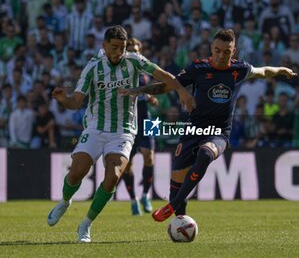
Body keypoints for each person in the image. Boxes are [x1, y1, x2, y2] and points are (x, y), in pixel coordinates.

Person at [120, 29, 296, 222]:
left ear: (234, 51)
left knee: (205, 154)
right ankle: (180, 218)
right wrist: (136, 90)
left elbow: (262, 72)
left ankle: (172, 205)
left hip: (219, 132)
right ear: (212, 48)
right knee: (176, 184)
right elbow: (166, 86)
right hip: (192, 130)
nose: (221, 56)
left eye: (226, 52)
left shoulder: (240, 69)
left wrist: (280, 70)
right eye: (217, 50)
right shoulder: (198, 68)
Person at [46, 25, 195, 243]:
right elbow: (76, 101)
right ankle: (65, 201)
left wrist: (181, 90)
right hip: (95, 127)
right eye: (114, 47)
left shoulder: (134, 60)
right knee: (78, 171)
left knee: (113, 177)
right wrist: (64, 100)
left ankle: (85, 225)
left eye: (122, 47)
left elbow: (164, 75)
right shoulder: (92, 68)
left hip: (123, 130)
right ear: (104, 46)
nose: (119, 52)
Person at [121, 37, 158, 215]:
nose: (134, 52)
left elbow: (149, 92)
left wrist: (151, 98)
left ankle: (145, 195)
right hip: (128, 121)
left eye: (136, 49)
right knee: (127, 166)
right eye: (131, 49)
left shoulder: (146, 71)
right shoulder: (121, 71)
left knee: (150, 158)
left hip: (148, 119)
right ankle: (133, 200)